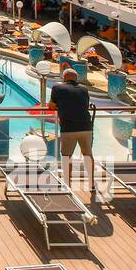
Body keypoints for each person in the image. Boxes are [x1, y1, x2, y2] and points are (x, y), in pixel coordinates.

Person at [49, 68, 101, 200]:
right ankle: (91, 184)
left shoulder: (57, 88)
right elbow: (86, 104)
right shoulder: (84, 89)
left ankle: (67, 184)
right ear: (76, 78)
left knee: (67, 157)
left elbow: (51, 106)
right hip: (86, 127)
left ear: (64, 77)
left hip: (69, 127)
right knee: (88, 155)